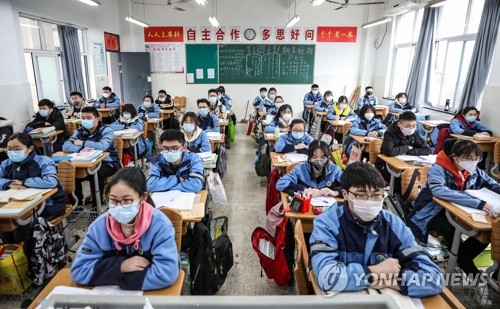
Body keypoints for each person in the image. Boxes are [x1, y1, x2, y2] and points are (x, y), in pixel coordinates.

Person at [310, 162, 444, 297]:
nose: (369, 201)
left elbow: (434, 279)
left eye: (376, 195)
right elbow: (326, 277)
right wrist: (374, 271)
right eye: (361, 195)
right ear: (345, 194)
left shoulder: (394, 225)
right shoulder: (327, 224)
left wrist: (388, 281)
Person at [71, 167, 179, 290]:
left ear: (143, 197)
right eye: (113, 200)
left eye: (127, 200)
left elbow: (166, 274)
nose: (119, 206)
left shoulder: (160, 226)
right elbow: (80, 271)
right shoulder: (98, 227)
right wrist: (121, 266)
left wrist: (110, 276)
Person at [408, 139, 500, 275]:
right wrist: (477, 203)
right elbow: (438, 190)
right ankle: (473, 273)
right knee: (450, 231)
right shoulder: (438, 169)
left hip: (462, 212)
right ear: (455, 156)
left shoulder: (474, 170)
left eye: (477, 158)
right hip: (432, 213)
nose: (473, 161)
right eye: (468, 158)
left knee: (485, 236)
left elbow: (492, 184)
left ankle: (455, 260)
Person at [63, 107, 120, 204]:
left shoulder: (106, 130)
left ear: (97, 119)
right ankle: (77, 204)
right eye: (84, 118)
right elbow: (66, 146)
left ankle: (96, 204)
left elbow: (102, 146)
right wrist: (85, 150)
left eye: (89, 118)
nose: (85, 120)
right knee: (73, 172)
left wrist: (83, 143)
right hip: (84, 161)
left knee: (96, 174)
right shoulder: (79, 131)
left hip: (108, 161)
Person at [0, 133, 66, 217]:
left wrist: (24, 182)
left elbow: (51, 181)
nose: (12, 152)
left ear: (30, 149)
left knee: (23, 222)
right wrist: (8, 183)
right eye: (9, 149)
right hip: (17, 204)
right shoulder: (6, 163)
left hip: (48, 204)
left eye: (17, 149)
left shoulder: (44, 161)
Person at [276, 141, 343, 197]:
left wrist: (335, 192)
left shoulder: (335, 170)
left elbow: (351, 186)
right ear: (309, 158)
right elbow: (281, 183)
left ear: (328, 158)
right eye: (315, 157)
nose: (319, 161)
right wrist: (305, 190)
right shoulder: (300, 169)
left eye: (323, 158)